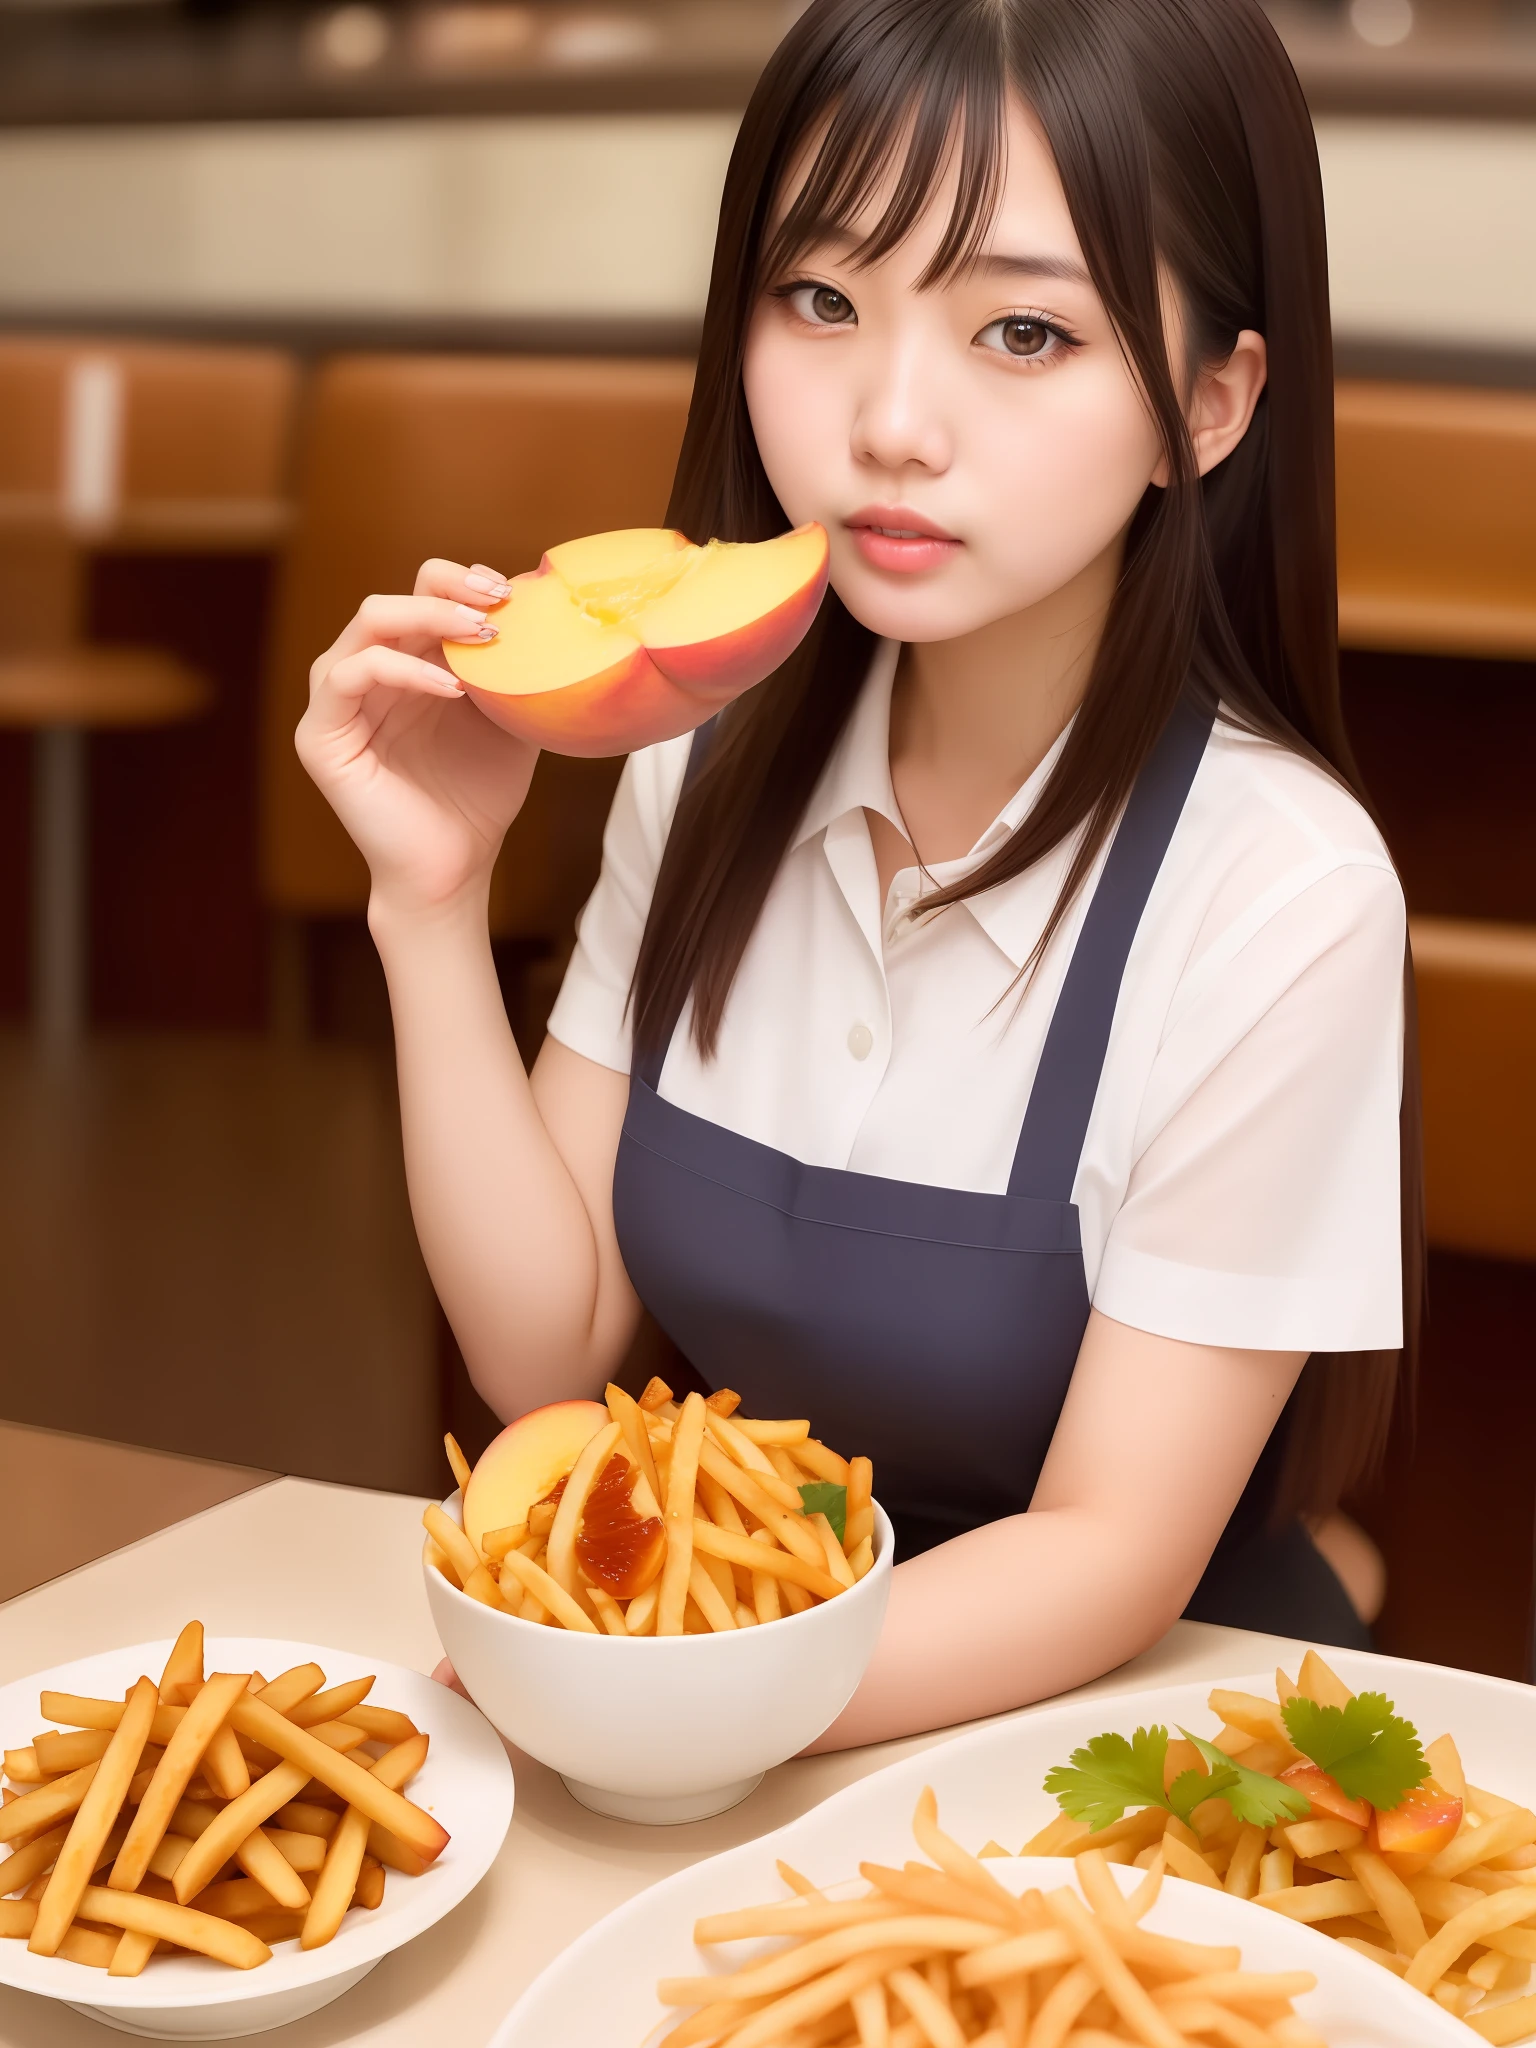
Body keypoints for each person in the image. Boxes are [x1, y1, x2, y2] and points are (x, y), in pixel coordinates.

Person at [298, 0, 1419, 1749]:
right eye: (823, 300)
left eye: (1024, 331)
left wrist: (666, 1701)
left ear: (1208, 404)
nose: (890, 422)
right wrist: (429, 907)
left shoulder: (1284, 890)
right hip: (743, 1708)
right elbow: (553, 1347)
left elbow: (1111, 1551)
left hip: (1113, 1746)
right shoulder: (700, 757)